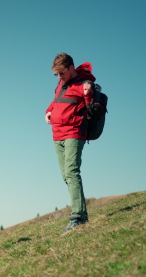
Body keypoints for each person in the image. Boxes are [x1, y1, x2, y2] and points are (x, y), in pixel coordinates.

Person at [45, 53, 96, 232]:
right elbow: (55, 103)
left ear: (71, 68)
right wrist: (48, 112)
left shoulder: (84, 83)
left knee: (72, 171)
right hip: (57, 133)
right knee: (65, 175)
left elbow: (90, 103)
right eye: (56, 74)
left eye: (62, 73)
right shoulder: (61, 84)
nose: (59, 77)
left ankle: (79, 216)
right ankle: (79, 213)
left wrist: (88, 90)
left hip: (74, 132)